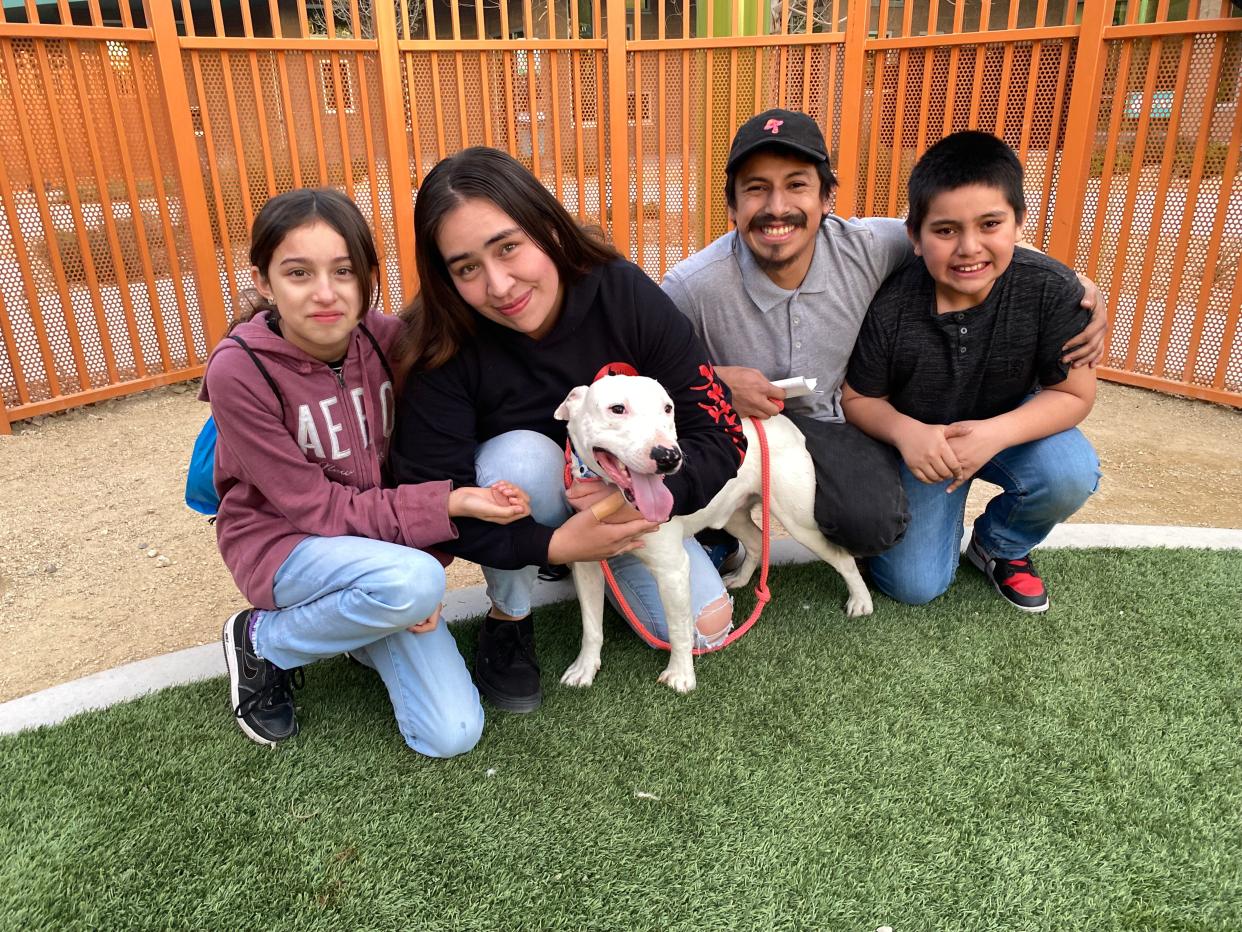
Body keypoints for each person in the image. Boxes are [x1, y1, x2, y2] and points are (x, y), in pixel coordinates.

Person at [661, 108, 1107, 565]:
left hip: (828, 425)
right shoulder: (691, 285)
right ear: (732, 205)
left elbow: (963, 235)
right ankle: (716, 533)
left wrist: (1078, 287)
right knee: (683, 450)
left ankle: (999, 548)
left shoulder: (869, 247)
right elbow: (632, 367)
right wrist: (714, 382)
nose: (778, 207)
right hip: (738, 426)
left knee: (873, 523)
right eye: (756, 189)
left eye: (797, 185)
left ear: (827, 198)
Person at [390, 147, 747, 714]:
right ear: (445, 278)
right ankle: (511, 613)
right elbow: (432, 501)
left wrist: (652, 499)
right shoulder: (442, 347)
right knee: (521, 458)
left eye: (508, 247)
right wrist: (554, 541)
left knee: (707, 628)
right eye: (466, 268)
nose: (500, 284)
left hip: (619, 495)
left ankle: (590, 555)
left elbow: (721, 431)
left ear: (548, 229)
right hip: (522, 493)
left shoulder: (623, 293)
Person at [203, 187, 530, 755]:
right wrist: (445, 513)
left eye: (344, 271)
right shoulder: (241, 371)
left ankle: (358, 622)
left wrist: (418, 563)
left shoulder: (388, 342)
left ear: (369, 276)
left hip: (384, 555)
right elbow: (317, 509)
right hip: (286, 545)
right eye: (299, 273)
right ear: (264, 281)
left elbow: (423, 455)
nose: (325, 294)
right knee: (409, 582)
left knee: (450, 734)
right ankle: (262, 640)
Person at [842, 131, 1100, 611]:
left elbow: (1075, 395)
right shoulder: (891, 307)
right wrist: (905, 433)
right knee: (914, 587)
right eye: (945, 230)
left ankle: (1000, 547)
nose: (969, 247)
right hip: (927, 445)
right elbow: (857, 398)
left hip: (1013, 424)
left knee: (1069, 471)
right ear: (914, 237)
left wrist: (993, 435)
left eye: (990, 224)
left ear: (1019, 224)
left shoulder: (1053, 291)